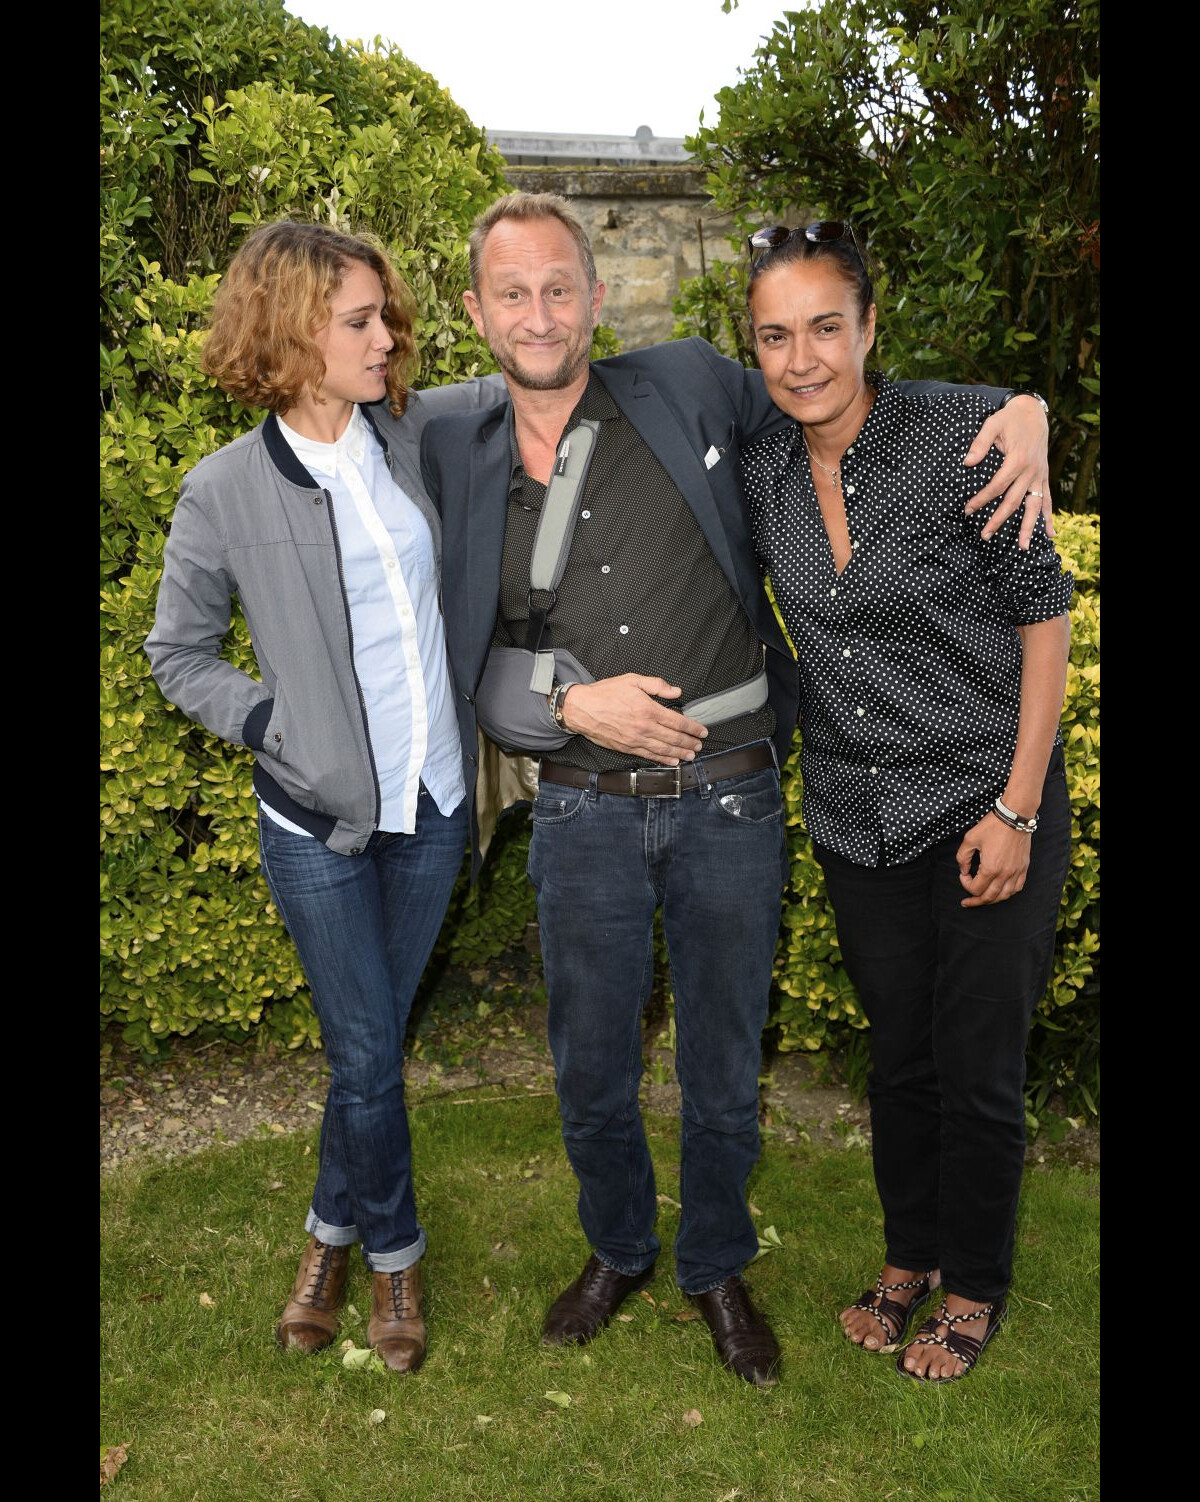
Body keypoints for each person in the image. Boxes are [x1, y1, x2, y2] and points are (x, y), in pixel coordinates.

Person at [418, 192, 1054, 1387]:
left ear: (597, 299)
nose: (539, 314)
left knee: (721, 1066)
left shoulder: (691, 386)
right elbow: (436, 622)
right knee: (590, 1064)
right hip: (582, 804)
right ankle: (619, 1247)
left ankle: (715, 1263)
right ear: (476, 310)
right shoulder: (442, 439)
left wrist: (1026, 410)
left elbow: (858, 399)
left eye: (559, 288)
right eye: (512, 293)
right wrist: (568, 703)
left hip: (731, 802)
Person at [145, 221, 498, 1375]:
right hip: (318, 819)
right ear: (293, 331)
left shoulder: (412, 433)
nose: (386, 336)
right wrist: (272, 726)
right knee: (366, 1051)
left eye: (384, 315)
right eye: (358, 320)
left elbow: (538, 378)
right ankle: (393, 1256)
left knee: (369, 1050)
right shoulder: (223, 489)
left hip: (432, 799)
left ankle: (325, 1233)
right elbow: (178, 652)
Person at [738, 221, 1073, 1382]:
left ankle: (972, 1282)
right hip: (858, 812)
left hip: (987, 799)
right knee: (900, 1058)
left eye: (826, 327)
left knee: (977, 1063)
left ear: (870, 327)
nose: (803, 359)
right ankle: (908, 1253)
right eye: (775, 335)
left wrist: (1018, 809)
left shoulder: (962, 437)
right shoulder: (762, 470)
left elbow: (1043, 619)